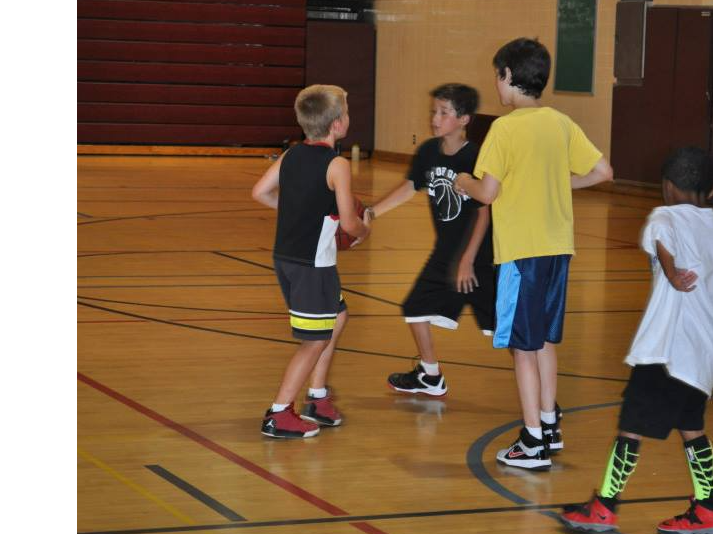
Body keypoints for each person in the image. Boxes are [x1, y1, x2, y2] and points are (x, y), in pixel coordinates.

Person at [453, 38, 614, 470]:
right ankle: (548, 424)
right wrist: (560, 184)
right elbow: (603, 172)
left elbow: (487, 192)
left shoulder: (504, 129)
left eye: (497, 77)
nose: (497, 85)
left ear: (507, 76)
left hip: (522, 253)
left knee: (523, 348)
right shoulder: (560, 123)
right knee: (540, 339)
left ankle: (532, 441)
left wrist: (463, 181)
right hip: (558, 249)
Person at [558, 146, 713, 533]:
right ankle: (708, 508)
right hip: (701, 354)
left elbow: (661, 239)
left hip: (664, 350)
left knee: (631, 425)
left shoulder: (664, 214)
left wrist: (672, 271)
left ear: (666, 187)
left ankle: (605, 506)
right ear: (711, 192)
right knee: (691, 426)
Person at [251, 84, 371, 438]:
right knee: (314, 340)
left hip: (286, 258)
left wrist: (295, 210)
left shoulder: (290, 155)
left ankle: (317, 397)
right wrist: (364, 230)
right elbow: (349, 223)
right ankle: (279, 413)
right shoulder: (337, 164)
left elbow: (260, 192)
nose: (349, 117)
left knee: (338, 315)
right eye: (346, 112)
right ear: (337, 124)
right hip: (312, 266)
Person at [367, 83, 494, 397]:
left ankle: (545, 401)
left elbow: (483, 213)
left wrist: (466, 261)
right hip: (446, 252)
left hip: (480, 258)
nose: (435, 118)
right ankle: (430, 375)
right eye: (433, 112)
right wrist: (372, 212)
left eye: (443, 112)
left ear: (464, 119)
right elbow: (411, 186)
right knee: (415, 307)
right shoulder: (427, 151)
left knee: (505, 333)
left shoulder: (476, 158)